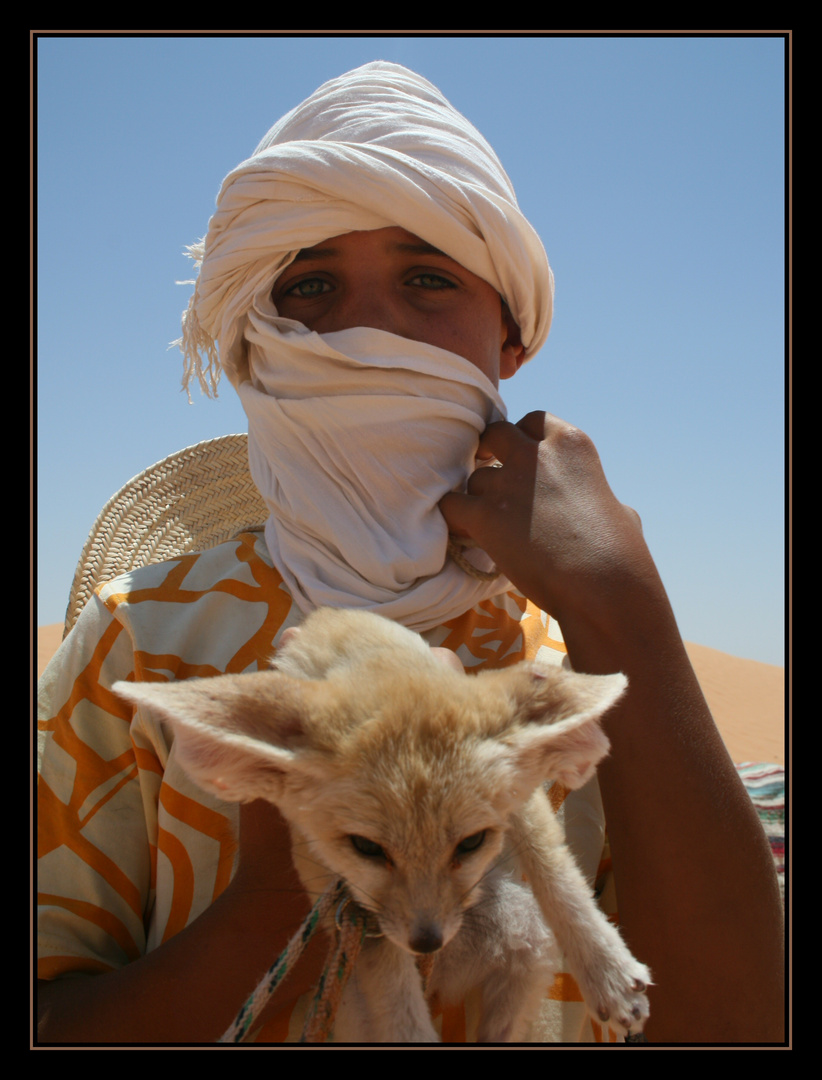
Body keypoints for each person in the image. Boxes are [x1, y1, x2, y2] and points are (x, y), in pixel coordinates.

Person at [37, 62, 784, 1044]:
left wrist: (623, 607)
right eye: (309, 286)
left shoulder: (578, 657)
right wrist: (287, 886)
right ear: (252, 344)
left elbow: (738, 1022)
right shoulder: (144, 647)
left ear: (510, 340)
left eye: (427, 279)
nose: (370, 327)